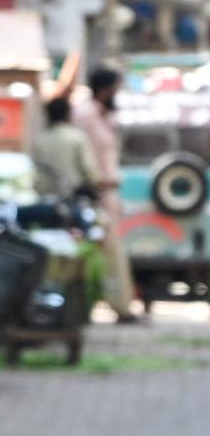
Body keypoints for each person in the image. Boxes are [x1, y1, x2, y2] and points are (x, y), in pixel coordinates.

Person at [71, 67, 141, 323]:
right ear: (104, 89)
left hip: (109, 195)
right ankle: (113, 308)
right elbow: (83, 159)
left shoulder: (106, 115)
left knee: (110, 253)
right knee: (103, 254)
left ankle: (119, 306)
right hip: (93, 196)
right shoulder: (84, 115)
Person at [33, 95, 103, 201]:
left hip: (45, 198)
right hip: (73, 196)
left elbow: (36, 169)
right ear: (68, 114)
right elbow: (88, 168)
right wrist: (97, 185)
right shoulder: (77, 137)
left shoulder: (39, 140)